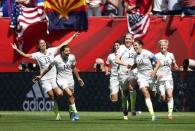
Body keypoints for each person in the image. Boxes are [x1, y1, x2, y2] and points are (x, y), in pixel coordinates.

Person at [11, 32, 79, 120]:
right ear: (38, 46)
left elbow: (63, 44)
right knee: (52, 96)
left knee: (60, 94)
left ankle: (70, 108)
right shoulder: (37, 55)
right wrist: (16, 49)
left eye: (44, 43)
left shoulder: (52, 50)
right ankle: (57, 115)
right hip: (44, 78)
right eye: (41, 43)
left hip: (54, 77)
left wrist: (72, 37)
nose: (43, 44)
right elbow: (25, 55)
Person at [33, 45, 84, 121]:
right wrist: (40, 76)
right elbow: (48, 68)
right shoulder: (56, 59)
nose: (68, 52)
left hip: (70, 80)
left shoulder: (72, 57)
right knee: (69, 94)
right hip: (61, 80)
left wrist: (79, 78)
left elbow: (73, 68)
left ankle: (71, 112)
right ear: (61, 52)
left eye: (69, 51)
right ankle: (75, 112)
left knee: (70, 97)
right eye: (66, 51)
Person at [131, 39, 161, 121]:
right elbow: (136, 64)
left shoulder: (147, 53)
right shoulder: (135, 55)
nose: (134, 46)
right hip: (141, 76)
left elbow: (158, 62)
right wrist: (130, 68)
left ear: (140, 45)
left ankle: (157, 92)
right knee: (145, 92)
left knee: (153, 94)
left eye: (135, 45)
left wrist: (154, 71)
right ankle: (153, 115)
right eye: (133, 45)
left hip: (150, 75)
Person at [115, 33, 137, 120]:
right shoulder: (121, 48)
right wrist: (125, 64)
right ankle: (124, 107)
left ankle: (133, 108)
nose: (127, 40)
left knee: (131, 88)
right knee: (125, 92)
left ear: (132, 40)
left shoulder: (135, 48)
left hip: (133, 72)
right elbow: (117, 60)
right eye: (126, 39)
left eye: (129, 39)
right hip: (123, 73)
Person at [155, 39, 178, 120]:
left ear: (167, 46)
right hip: (160, 80)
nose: (163, 46)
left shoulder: (171, 55)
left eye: (164, 45)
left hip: (168, 78)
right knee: (163, 97)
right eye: (161, 45)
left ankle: (170, 113)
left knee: (170, 94)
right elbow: (153, 67)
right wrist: (156, 73)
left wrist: (176, 66)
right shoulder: (156, 56)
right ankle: (160, 95)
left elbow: (175, 64)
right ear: (160, 46)